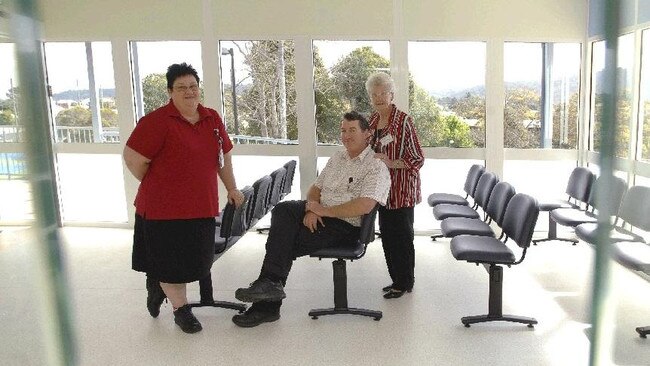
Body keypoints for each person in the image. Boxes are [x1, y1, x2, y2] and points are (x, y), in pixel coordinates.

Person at [232, 111, 390, 328]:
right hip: (322, 212)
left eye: (352, 130)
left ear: (367, 134)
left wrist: (324, 212)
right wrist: (312, 210)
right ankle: (269, 287)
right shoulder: (338, 158)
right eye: (343, 130)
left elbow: (365, 205)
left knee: (284, 240)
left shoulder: (376, 166)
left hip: (346, 225)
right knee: (283, 210)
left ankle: (266, 305)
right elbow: (315, 188)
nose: (346, 135)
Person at [123, 63, 245, 334]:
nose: (189, 92)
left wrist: (232, 188)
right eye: (181, 88)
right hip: (162, 210)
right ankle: (181, 309)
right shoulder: (156, 122)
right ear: (170, 92)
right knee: (170, 263)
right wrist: (160, 184)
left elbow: (223, 158)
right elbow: (133, 159)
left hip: (201, 206)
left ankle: (157, 284)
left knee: (195, 263)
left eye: (193, 86)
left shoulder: (211, 118)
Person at [366, 72, 424, 299]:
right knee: (388, 237)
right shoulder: (371, 120)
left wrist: (391, 162)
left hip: (400, 190)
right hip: (381, 191)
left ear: (392, 94)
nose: (379, 97)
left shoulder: (403, 121)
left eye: (383, 93)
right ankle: (396, 279)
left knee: (402, 238)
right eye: (374, 94)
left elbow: (417, 158)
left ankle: (404, 282)